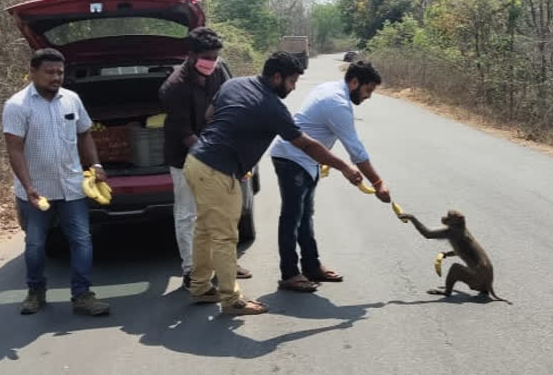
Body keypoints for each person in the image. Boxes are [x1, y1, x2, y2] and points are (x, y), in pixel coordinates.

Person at [183, 51, 364, 315]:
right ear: (277, 77)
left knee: (204, 229)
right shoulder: (272, 107)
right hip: (217, 171)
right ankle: (231, 300)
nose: (293, 87)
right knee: (224, 236)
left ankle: (200, 288)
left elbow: (210, 115)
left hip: (196, 161)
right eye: (292, 81)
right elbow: (306, 144)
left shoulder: (234, 84)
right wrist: (345, 166)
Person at [3, 48, 110, 316]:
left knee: (82, 241)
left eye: (60, 72)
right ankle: (35, 292)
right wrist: (28, 186)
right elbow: (14, 149)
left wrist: (95, 165)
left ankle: (83, 295)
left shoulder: (71, 100)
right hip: (36, 192)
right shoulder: (17, 106)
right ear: (33, 72)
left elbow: (84, 134)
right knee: (36, 244)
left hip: (72, 186)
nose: (56, 77)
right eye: (49, 72)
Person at [269, 60, 391, 292]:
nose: (368, 97)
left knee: (305, 216)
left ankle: (312, 266)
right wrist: (378, 183)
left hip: (305, 160)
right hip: (292, 157)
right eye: (368, 90)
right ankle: (290, 273)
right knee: (292, 217)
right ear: (354, 82)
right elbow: (356, 150)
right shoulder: (337, 103)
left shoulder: (330, 89)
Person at [159, 27, 252, 289]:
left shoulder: (219, 71)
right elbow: (185, 133)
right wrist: (210, 159)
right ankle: (191, 271)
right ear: (190, 55)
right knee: (188, 214)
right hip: (185, 158)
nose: (211, 62)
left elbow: (228, 109)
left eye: (215, 56)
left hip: (217, 152)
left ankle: (226, 263)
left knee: (222, 212)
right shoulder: (173, 87)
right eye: (206, 57)